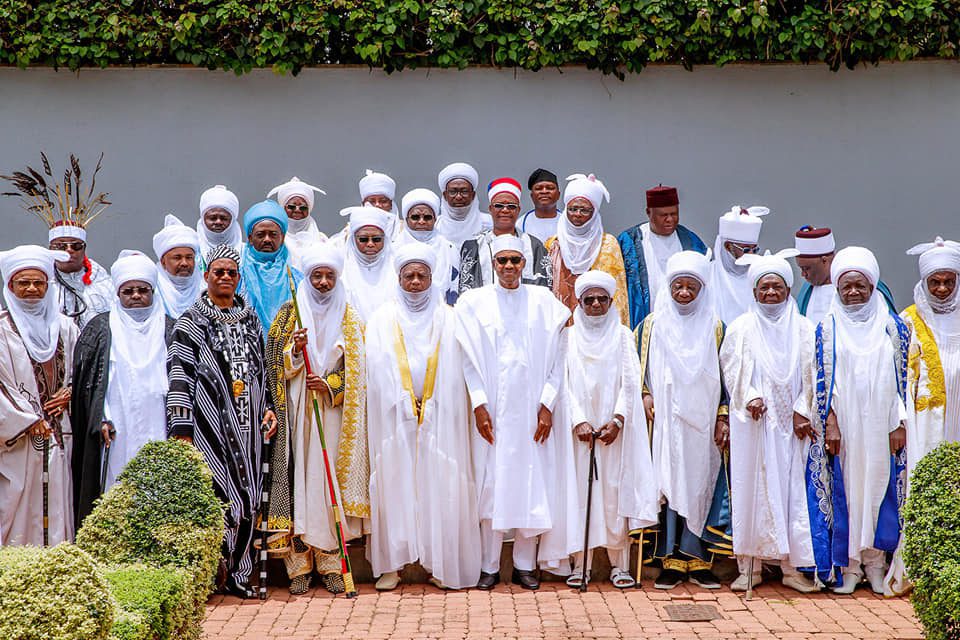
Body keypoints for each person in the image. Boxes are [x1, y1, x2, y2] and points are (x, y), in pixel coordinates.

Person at [456, 235, 575, 591]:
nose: (509, 267)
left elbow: (559, 359)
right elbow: (469, 361)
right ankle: (488, 567)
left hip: (533, 414)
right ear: (493, 264)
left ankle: (525, 565)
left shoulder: (544, 303)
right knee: (492, 487)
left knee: (530, 483)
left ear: (525, 263)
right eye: (502, 261)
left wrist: (547, 404)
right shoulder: (473, 303)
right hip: (491, 413)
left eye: (515, 261)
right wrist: (478, 404)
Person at [792, 246, 908, 595]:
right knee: (848, 492)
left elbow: (903, 381)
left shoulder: (893, 328)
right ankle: (850, 568)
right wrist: (828, 421)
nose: (854, 292)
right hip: (843, 428)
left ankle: (875, 565)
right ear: (838, 290)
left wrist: (899, 424)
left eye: (861, 285)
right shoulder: (827, 329)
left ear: (873, 287)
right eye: (847, 286)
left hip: (881, 426)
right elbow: (816, 379)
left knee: (877, 489)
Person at [366, 243, 481, 591]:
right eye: (409, 276)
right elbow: (375, 365)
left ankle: (442, 562)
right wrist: (401, 397)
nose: (415, 282)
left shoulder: (449, 315)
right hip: (394, 418)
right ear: (398, 278)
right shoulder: (382, 317)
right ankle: (392, 564)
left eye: (422, 276)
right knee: (394, 485)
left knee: (441, 483)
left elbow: (460, 364)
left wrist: (432, 400)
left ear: (432, 279)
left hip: (440, 417)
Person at [167, 244, 278, 599]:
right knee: (217, 499)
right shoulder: (191, 321)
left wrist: (269, 407)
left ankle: (240, 573)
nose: (226, 278)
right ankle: (214, 572)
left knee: (249, 499)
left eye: (232, 273)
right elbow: (179, 376)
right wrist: (181, 429)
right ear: (207, 276)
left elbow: (261, 370)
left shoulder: (249, 321)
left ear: (238, 278)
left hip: (250, 431)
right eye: (219, 272)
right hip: (208, 427)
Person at [266, 243, 369, 596]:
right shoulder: (287, 315)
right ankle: (298, 568)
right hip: (296, 410)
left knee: (327, 487)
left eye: (329, 276)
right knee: (299, 484)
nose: (323, 282)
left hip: (332, 411)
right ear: (307, 278)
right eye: (317, 276)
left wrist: (329, 384)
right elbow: (272, 363)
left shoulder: (351, 319)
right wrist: (294, 351)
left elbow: (359, 369)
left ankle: (329, 564)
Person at [719, 249, 819, 594]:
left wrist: (803, 408)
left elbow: (815, 374)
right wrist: (749, 396)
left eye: (777, 287)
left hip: (792, 428)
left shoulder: (805, 329)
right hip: (755, 425)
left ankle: (792, 569)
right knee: (752, 491)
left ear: (788, 289)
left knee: (793, 494)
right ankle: (750, 567)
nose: (771, 293)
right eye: (765, 288)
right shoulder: (741, 329)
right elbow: (731, 370)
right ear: (754, 292)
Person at [638, 250, 730, 590]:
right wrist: (646, 394)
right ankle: (671, 561)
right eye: (678, 286)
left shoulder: (716, 326)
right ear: (669, 287)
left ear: (702, 289)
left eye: (692, 286)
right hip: (666, 419)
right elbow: (638, 367)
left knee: (701, 483)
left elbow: (726, 378)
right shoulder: (651, 325)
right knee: (669, 480)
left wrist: (723, 415)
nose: (685, 293)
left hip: (703, 422)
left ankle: (699, 561)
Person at [564, 271, 658, 589]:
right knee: (580, 494)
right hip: (579, 433)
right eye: (588, 299)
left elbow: (631, 383)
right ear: (579, 302)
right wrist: (578, 420)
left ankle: (620, 565)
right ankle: (581, 564)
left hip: (613, 432)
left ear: (610, 301)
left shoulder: (622, 336)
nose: (595, 304)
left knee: (615, 494)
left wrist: (618, 420)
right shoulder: (568, 337)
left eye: (601, 299)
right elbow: (562, 384)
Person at [71, 250, 175, 527]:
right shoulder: (100, 329)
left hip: (160, 425)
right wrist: (98, 419)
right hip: (116, 429)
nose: (136, 296)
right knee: (116, 491)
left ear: (153, 292)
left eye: (143, 289)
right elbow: (86, 387)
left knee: (159, 490)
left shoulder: (171, 329)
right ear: (118, 294)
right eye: (128, 290)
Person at [884, 237, 960, 595]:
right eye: (935, 282)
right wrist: (898, 421)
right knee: (923, 489)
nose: (942, 288)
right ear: (924, 282)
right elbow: (895, 380)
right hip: (923, 424)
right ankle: (917, 569)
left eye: (949, 280)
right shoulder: (906, 322)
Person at [0, 245, 78, 546]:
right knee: (16, 507)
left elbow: (82, 375)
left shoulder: (67, 328)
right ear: (10, 286)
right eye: (24, 283)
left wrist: (70, 392)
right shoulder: (3, 330)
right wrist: (26, 420)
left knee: (59, 504)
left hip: (60, 437)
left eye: (39, 282)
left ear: (48, 286)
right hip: (17, 444)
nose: (32, 289)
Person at [617, 185, 707, 330]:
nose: (670, 220)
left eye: (674, 214)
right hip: (643, 322)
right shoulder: (629, 242)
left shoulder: (691, 241)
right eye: (663, 215)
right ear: (648, 212)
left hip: (684, 324)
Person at [544, 173, 629, 324]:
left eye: (584, 210)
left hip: (599, 325)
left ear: (594, 212)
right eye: (573, 208)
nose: (577, 214)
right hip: (560, 325)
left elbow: (618, 295)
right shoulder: (553, 244)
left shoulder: (608, 245)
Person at [458, 177, 552, 292]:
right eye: (499, 206)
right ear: (490, 209)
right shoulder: (474, 246)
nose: (505, 210)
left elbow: (544, 289)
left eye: (511, 206)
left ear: (518, 210)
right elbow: (466, 290)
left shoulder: (534, 245)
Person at [795, 226, 897, 323]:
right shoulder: (806, 292)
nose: (803, 274)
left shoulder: (869, 286)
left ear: (824, 261)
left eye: (806, 268)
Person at [240, 200, 303, 336]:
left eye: (273, 234)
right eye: (260, 235)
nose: (267, 239)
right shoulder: (238, 277)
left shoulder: (297, 279)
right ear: (250, 238)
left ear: (283, 237)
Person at [395, 188, 460, 304]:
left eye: (427, 217)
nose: (421, 221)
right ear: (406, 219)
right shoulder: (393, 249)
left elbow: (454, 286)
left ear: (435, 219)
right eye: (415, 217)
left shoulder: (449, 249)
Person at [710, 205, 769, 325]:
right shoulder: (708, 275)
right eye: (746, 250)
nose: (752, 255)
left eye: (755, 249)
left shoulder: (763, 275)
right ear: (728, 246)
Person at [340, 205, 397, 323]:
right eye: (363, 239)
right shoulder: (341, 270)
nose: (370, 244)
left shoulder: (397, 268)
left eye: (376, 239)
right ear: (353, 239)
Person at [268, 176, 327, 270]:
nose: (297, 210)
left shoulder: (321, 240)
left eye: (303, 207)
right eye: (291, 207)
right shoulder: (272, 239)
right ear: (283, 207)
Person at [435, 162, 493, 255]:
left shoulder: (489, 224)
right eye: (453, 192)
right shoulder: (435, 226)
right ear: (445, 195)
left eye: (464, 191)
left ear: (473, 195)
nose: (458, 197)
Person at [152, 214, 203, 318]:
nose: (184, 263)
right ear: (163, 262)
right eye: (177, 257)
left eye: (189, 257)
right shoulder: (152, 290)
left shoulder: (205, 287)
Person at [196, 185, 243, 271]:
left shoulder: (246, 252)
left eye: (224, 218)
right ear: (203, 219)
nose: (218, 222)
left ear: (232, 220)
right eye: (212, 218)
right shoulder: (192, 250)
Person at [517, 168, 561, 243]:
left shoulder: (567, 221)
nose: (544, 191)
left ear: (558, 195)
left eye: (550, 188)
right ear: (532, 196)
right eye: (538, 188)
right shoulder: (520, 224)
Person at [359, 169, 401, 240]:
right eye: (372, 201)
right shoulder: (350, 231)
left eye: (383, 201)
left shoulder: (403, 230)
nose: (377, 205)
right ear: (363, 205)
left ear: (391, 205)